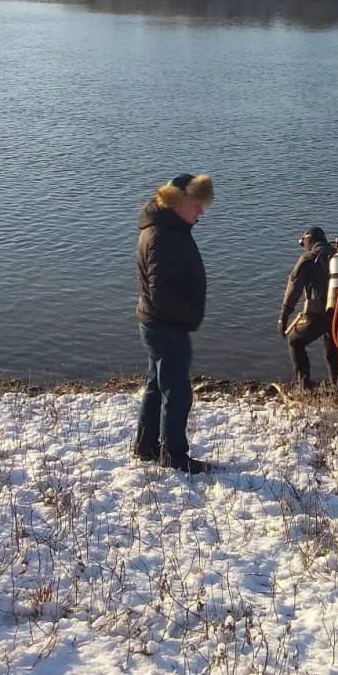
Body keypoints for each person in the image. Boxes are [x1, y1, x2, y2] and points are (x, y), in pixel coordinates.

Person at [134, 172, 214, 473]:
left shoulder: (170, 229)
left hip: (160, 325)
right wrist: (190, 316)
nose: (201, 211)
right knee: (177, 394)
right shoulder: (161, 237)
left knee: (157, 386)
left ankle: (145, 446)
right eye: (197, 204)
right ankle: (175, 457)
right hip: (166, 327)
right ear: (179, 202)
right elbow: (161, 294)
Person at [278, 226, 338, 393]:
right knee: (333, 352)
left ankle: (304, 386)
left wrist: (283, 316)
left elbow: (294, 287)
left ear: (308, 242)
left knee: (295, 341)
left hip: (318, 314)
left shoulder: (308, 259)